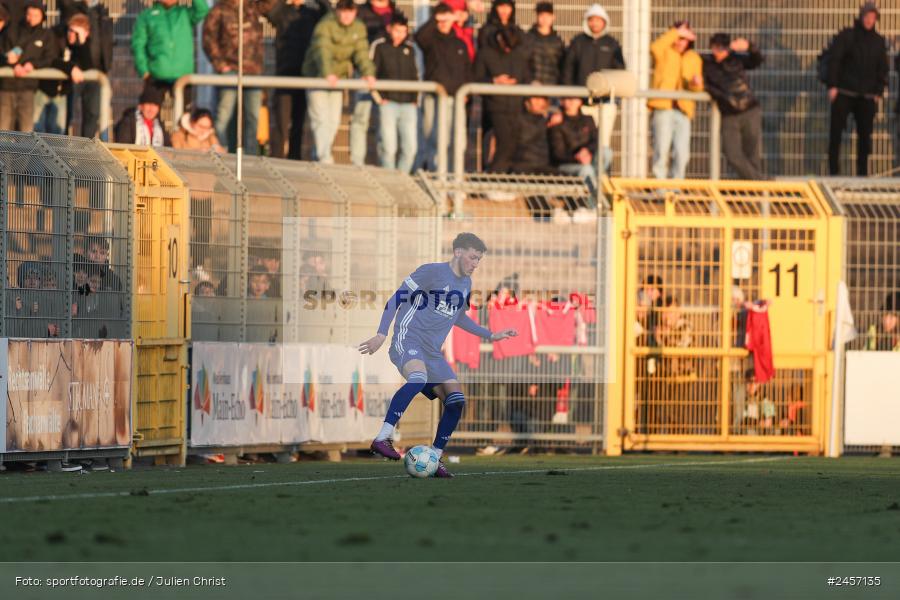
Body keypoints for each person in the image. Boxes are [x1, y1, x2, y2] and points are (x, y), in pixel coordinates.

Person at [359, 232, 517, 478]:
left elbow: (459, 316)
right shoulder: (431, 272)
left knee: (456, 402)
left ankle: (433, 457)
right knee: (418, 378)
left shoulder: (465, 284)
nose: (475, 264)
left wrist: (490, 335)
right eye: (473, 258)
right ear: (458, 252)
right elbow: (396, 299)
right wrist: (381, 333)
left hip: (433, 352)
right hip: (408, 339)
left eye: (479, 260)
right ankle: (383, 438)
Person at [301, 0, 375, 164]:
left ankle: (319, 155)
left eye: (351, 12)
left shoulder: (358, 27)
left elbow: (361, 52)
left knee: (333, 120)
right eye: (344, 11)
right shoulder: (326, 24)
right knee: (321, 118)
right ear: (338, 12)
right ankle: (325, 158)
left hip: (338, 79)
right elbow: (322, 49)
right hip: (317, 77)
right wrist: (327, 73)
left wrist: (368, 73)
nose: (347, 16)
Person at [261, 0, 330, 160]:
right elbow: (270, 13)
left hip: (305, 73)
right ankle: (277, 156)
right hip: (284, 72)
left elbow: (328, 13)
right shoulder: (283, 11)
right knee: (281, 120)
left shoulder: (311, 12)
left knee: (298, 122)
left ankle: (294, 156)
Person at [826, 2, 888, 176]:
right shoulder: (848, 36)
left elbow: (883, 68)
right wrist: (832, 85)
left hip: (867, 96)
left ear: (876, 19)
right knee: (836, 134)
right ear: (861, 16)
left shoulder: (878, 41)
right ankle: (834, 173)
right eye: (867, 16)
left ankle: (862, 175)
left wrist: (878, 92)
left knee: (864, 138)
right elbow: (835, 60)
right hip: (844, 92)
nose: (869, 20)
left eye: (873, 17)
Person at [562, 4, 625, 172]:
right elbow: (568, 70)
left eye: (598, 20)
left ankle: (602, 183)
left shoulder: (612, 45)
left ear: (604, 22)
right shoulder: (578, 43)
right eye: (591, 20)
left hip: (605, 103)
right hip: (583, 104)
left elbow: (619, 72)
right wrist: (570, 96)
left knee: (603, 145)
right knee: (585, 144)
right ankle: (587, 180)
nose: (595, 23)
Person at [202, 0, 266, 155]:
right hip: (230, 71)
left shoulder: (252, 6)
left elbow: (271, 4)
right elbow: (208, 38)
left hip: (253, 70)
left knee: (253, 117)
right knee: (224, 115)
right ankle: (222, 153)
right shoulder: (219, 9)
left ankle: (251, 157)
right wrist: (220, 64)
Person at [415, 2, 471, 171]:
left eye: (447, 19)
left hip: (456, 99)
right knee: (436, 139)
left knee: (458, 141)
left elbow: (467, 69)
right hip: (435, 97)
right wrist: (436, 18)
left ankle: (456, 178)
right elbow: (420, 37)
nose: (443, 23)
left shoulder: (460, 44)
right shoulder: (431, 42)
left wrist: (466, 92)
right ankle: (436, 176)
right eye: (440, 20)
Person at [703, 33, 765, 180]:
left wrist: (750, 47)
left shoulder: (736, 59)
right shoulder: (707, 64)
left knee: (752, 154)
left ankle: (753, 194)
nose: (718, 52)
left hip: (749, 109)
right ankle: (760, 183)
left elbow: (757, 60)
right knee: (732, 154)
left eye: (722, 48)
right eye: (715, 48)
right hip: (729, 114)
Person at [649, 21, 703, 179]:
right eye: (678, 38)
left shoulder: (694, 58)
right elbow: (654, 47)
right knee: (661, 150)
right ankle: (660, 188)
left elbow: (696, 88)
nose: (680, 42)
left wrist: (695, 84)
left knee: (682, 153)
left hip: (683, 110)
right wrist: (676, 32)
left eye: (684, 38)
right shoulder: (664, 51)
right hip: (663, 108)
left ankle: (676, 187)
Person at [475, 25, 531, 173]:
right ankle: (493, 176)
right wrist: (494, 81)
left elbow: (526, 77)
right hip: (496, 106)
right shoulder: (486, 54)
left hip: (516, 106)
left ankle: (502, 176)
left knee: (515, 143)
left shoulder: (519, 55)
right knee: (505, 143)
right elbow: (475, 78)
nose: (508, 50)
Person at [132, 0, 209, 105]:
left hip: (182, 75)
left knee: (183, 116)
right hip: (156, 75)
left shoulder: (185, 13)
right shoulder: (147, 16)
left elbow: (203, 9)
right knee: (150, 113)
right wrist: (144, 71)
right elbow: (138, 45)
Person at [58, 0, 113, 138]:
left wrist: (106, 65)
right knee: (67, 114)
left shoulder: (102, 13)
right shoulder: (71, 7)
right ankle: (61, 148)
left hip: (96, 72)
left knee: (92, 114)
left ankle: (85, 150)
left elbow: (106, 42)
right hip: (75, 71)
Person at [372, 12, 418, 173]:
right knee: (388, 147)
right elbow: (372, 74)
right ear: (389, 29)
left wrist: (415, 99)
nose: (400, 35)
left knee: (410, 148)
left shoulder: (410, 49)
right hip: (388, 103)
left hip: (408, 104)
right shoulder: (380, 46)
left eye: (403, 31)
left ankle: (401, 178)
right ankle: (389, 179)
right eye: (397, 30)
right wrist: (380, 98)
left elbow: (416, 75)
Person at [0, 0, 56, 132]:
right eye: (29, 14)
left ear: (42, 16)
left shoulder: (46, 35)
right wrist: (12, 63)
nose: (31, 18)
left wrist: (33, 65)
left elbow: (50, 58)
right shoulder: (11, 30)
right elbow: (3, 51)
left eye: (35, 15)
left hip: (28, 87)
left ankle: (25, 154)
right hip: (6, 86)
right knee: (3, 129)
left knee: (26, 130)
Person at [352, 0, 396, 166]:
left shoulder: (393, 11)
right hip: (365, 73)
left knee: (385, 121)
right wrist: (363, 68)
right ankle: (357, 162)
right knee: (360, 117)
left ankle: (384, 164)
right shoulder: (362, 12)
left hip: (385, 74)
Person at [550, 96, 600, 182]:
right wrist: (577, 157)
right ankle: (594, 194)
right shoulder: (557, 122)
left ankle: (597, 187)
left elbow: (596, 140)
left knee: (606, 152)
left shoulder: (588, 119)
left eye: (575, 98)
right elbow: (558, 154)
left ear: (580, 101)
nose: (571, 101)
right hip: (567, 164)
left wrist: (586, 151)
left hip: (588, 159)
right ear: (562, 102)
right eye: (568, 98)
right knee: (586, 169)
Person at [510, 95, 553, 174]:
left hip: (544, 165)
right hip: (523, 164)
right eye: (535, 98)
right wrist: (545, 124)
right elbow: (525, 139)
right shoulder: (519, 120)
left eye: (541, 99)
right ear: (527, 102)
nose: (538, 102)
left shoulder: (551, 120)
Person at [527, 2, 564, 86]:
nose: (544, 19)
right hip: (532, 86)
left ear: (553, 17)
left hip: (553, 87)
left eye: (547, 16)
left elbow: (562, 66)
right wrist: (530, 81)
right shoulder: (528, 39)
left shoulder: (558, 41)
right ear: (537, 17)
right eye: (541, 15)